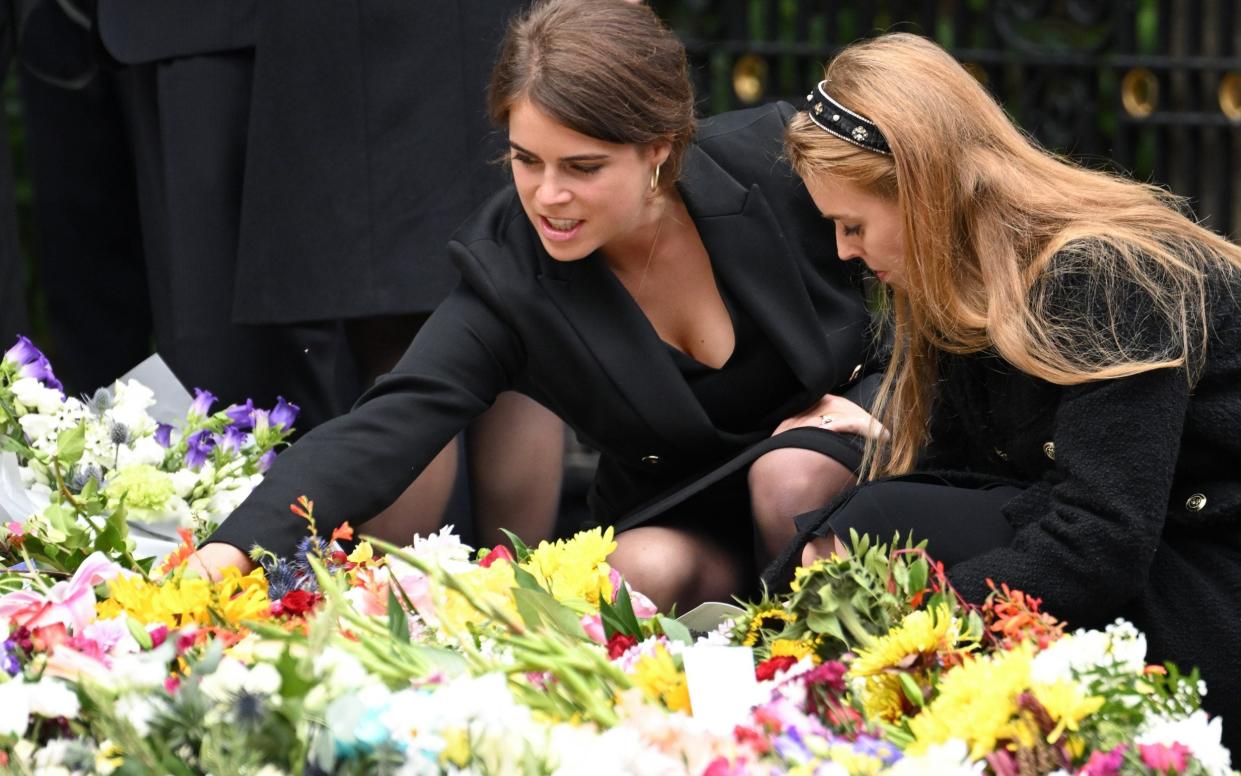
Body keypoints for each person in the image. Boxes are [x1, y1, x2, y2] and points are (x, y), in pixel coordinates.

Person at [193, 0, 881, 610]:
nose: (547, 196)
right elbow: (385, 424)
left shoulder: (777, 163)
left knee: (791, 471)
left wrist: (880, 401)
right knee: (629, 574)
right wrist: (223, 558)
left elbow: (935, 292)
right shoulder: (509, 274)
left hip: (853, 479)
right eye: (526, 160)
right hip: (687, 519)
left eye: (582, 168)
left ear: (658, 150)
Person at [776, 33, 1241, 749]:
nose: (844, 251)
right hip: (1133, 556)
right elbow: (966, 474)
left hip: (1206, 582)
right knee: (868, 523)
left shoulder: (1099, 272)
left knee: (873, 528)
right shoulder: (964, 279)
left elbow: (1102, 540)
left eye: (852, 224)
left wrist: (917, 623)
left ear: (922, 193)